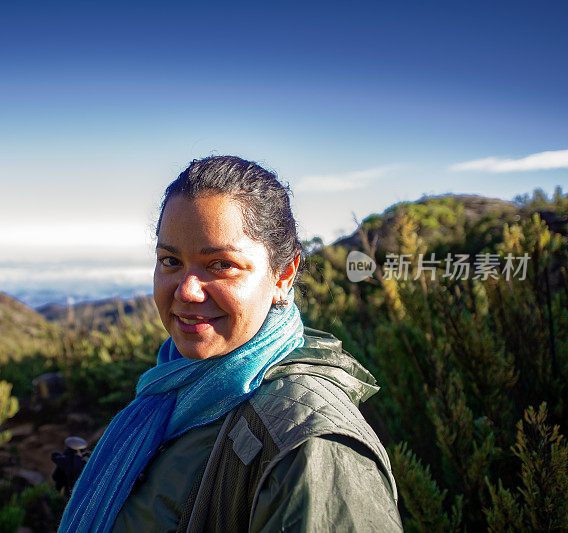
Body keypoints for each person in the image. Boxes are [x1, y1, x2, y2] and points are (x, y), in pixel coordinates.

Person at [59, 156, 402, 532]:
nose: (187, 291)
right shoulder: (178, 382)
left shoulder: (309, 449)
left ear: (283, 275)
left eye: (221, 265)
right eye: (170, 260)